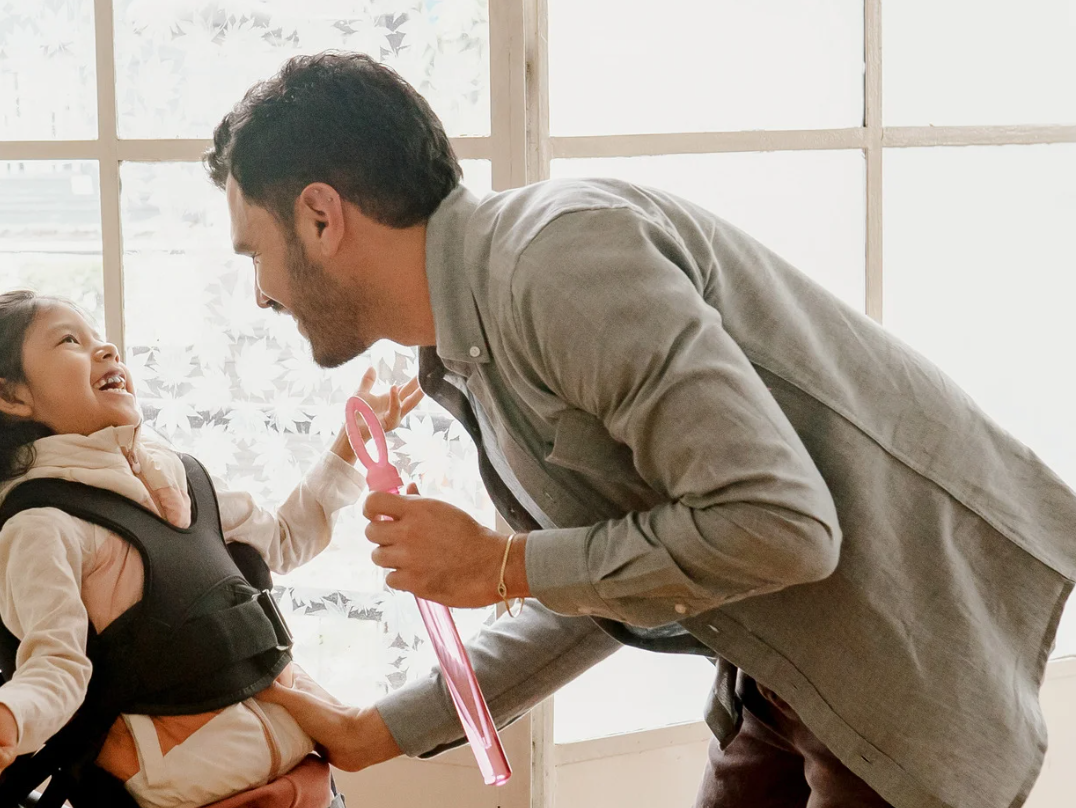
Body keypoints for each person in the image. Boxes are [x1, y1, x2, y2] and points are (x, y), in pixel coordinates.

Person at [209, 53, 1076, 808]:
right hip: (778, 671)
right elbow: (602, 582)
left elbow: (780, 526)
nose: (258, 294)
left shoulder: (556, 265)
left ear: (321, 217)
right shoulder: (468, 345)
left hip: (895, 664)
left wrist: (501, 564)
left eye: (254, 252)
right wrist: (380, 729)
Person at [0, 291, 423, 808]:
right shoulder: (40, 525)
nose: (106, 349)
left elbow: (285, 541)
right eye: (70, 341)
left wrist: (348, 446)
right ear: (10, 397)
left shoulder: (184, 476)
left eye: (99, 336)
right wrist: (7, 713)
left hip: (314, 786)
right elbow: (55, 667)